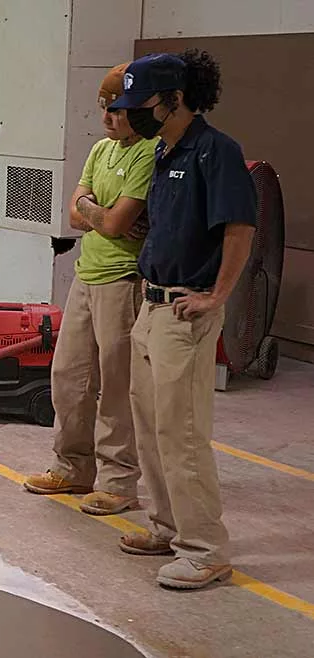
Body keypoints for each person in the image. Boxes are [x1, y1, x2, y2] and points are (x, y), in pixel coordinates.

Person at [107, 50, 256, 589]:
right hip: (151, 307)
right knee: (149, 426)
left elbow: (239, 228)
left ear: (174, 98)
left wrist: (217, 297)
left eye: (140, 102)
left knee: (183, 432)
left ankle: (204, 548)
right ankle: (167, 527)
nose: (131, 113)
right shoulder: (162, 150)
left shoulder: (216, 151)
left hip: (184, 311)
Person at [23, 62, 156, 516]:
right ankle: (72, 467)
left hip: (124, 280)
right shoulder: (101, 150)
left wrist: (96, 212)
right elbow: (77, 214)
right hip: (87, 273)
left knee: (117, 385)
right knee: (69, 376)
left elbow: (113, 222)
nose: (107, 118)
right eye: (103, 108)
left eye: (116, 110)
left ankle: (119, 481)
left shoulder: (149, 154)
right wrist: (100, 213)